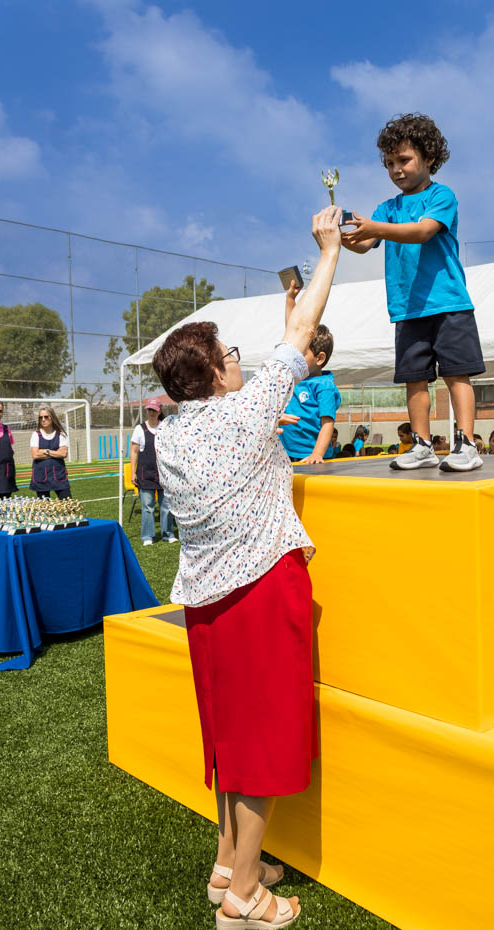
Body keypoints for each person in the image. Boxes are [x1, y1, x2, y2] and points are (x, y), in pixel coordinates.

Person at [151, 207, 342, 930]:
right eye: (230, 353)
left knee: (229, 736)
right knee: (261, 743)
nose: (241, 357)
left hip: (205, 601)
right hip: (262, 590)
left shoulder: (171, 433)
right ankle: (244, 902)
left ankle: (231, 863)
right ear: (214, 375)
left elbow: (278, 350)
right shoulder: (247, 410)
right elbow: (300, 336)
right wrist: (327, 253)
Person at [341, 112, 485, 472]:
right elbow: (365, 242)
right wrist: (343, 237)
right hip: (407, 309)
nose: (396, 169)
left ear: (430, 158)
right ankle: (422, 445)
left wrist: (375, 226)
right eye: (389, 163)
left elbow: (422, 231)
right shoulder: (386, 208)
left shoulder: (442, 195)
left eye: (403, 160)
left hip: (449, 303)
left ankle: (466, 444)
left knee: (457, 373)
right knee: (414, 378)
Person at [278, 279, 342, 464]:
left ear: (320, 359)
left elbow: (327, 423)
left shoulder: (324, 387)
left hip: (309, 454)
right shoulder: (294, 377)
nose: (294, 355)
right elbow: (292, 330)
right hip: (286, 453)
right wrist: (290, 299)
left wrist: (317, 454)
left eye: (302, 353)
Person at [130, 399, 177, 546]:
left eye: (154, 410)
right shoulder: (140, 429)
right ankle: (147, 536)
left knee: (166, 506)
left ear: (159, 411)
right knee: (148, 507)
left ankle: (168, 534)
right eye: (149, 410)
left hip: (164, 474)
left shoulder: (166, 428)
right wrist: (133, 472)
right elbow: (134, 452)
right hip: (145, 474)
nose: (151, 413)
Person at [29, 406, 72, 499]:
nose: (43, 419)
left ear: (52, 418)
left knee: (68, 505)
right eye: (41, 417)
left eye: (46, 417)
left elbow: (63, 454)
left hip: (59, 475)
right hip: (41, 476)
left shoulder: (61, 435)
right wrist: (55, 453)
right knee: (45, 509)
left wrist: (46, 451)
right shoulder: (35, 435)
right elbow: (35, 454)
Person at [0, 400, 17, 499]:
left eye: (0, 411)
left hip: (6, 475)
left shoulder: (6, 429)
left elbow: (10, 450)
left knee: (6, 508)